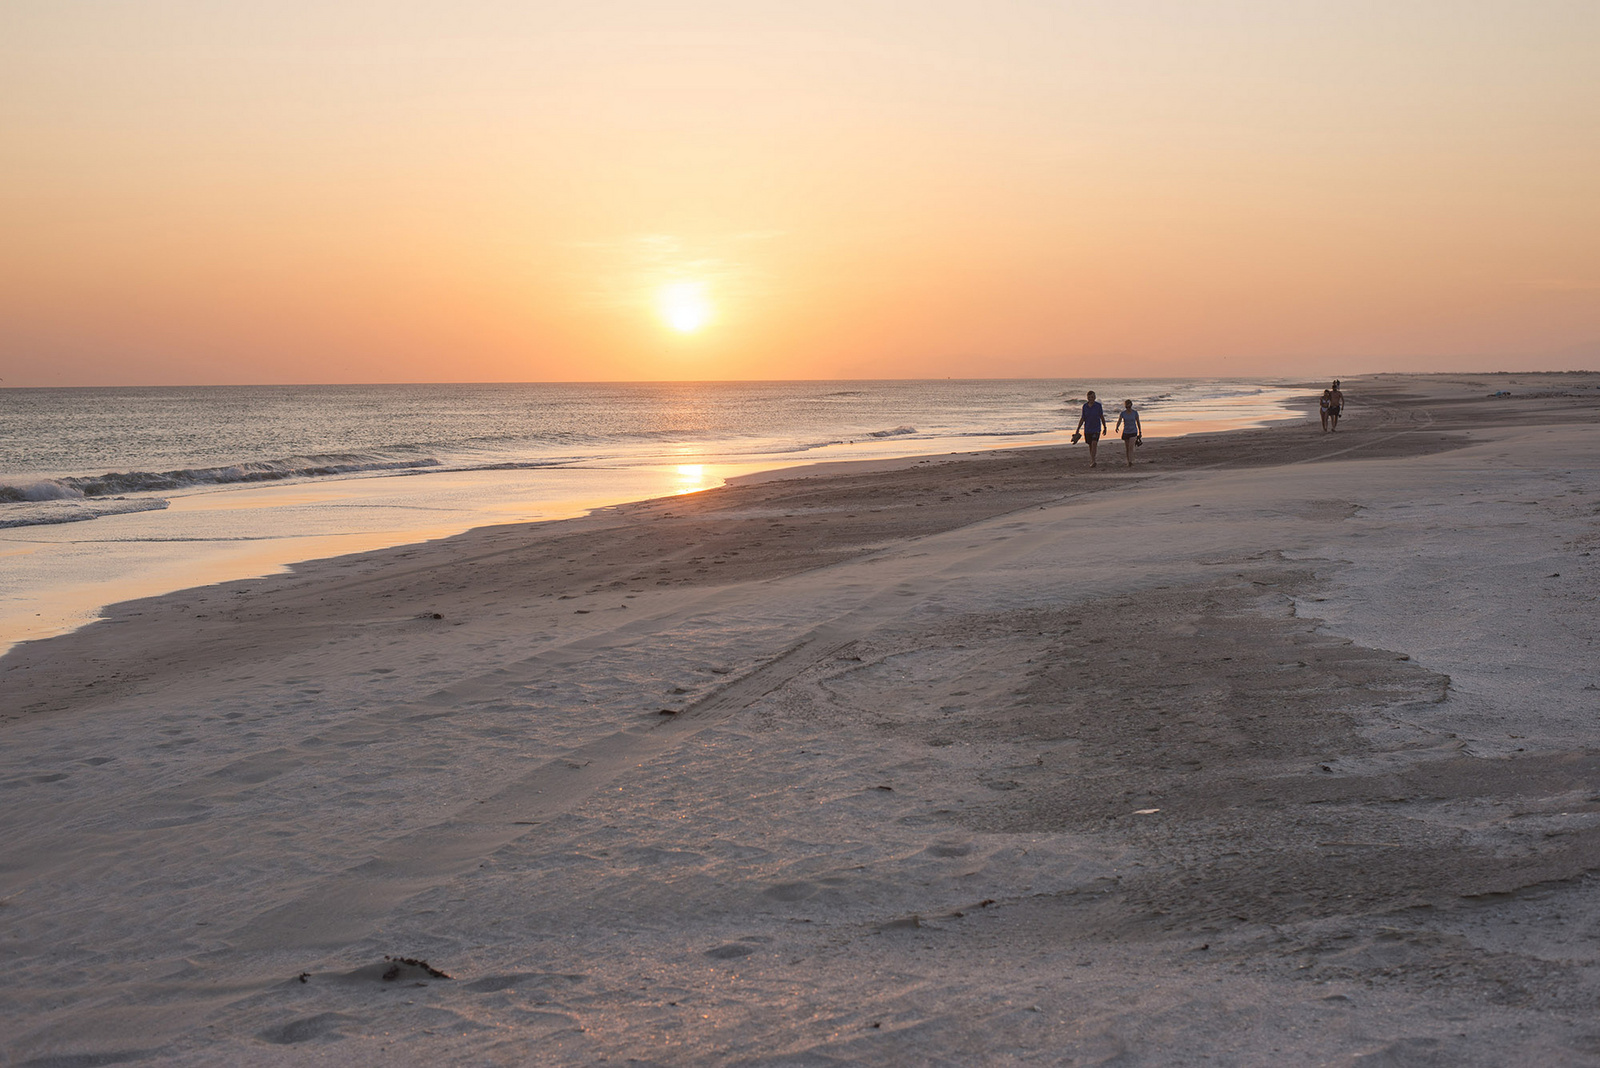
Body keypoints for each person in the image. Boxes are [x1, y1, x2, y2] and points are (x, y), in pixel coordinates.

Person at [1074, 390, 1107, 467]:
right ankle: (1092, 459)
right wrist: (1078, 429)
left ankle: (1093, 461)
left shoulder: (1098, 406)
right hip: (1088, 429)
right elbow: (1082, 418)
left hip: (1096, 428)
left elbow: (1101, 417)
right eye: (1089, 397)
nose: (1090, 399)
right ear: (1087, 398)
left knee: (1094, 443)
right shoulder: (1085, 406)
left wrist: (1105, 427)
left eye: (1092, 397)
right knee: (1090, 445)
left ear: (1095, 397)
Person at [1115, 399, 1142, 467]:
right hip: (1126, 431)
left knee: (1131, 447)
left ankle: (1131, 460)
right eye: (1127, 407)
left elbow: (1138, 422)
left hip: (1133, 431)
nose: (1128, 408)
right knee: (1127, 448)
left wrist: (1140, 431)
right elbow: (1119, 420)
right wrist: (1117, 427)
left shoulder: (1135, 413)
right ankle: (1128, 461)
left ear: (1131, 406)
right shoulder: (1123, 413)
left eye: (1129, 407)